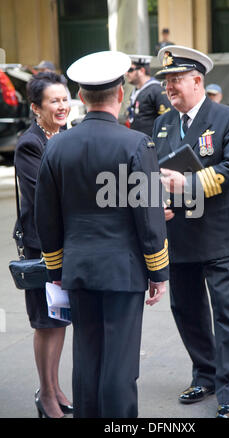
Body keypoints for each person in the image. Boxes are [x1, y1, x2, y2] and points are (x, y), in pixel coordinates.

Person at [34, 51, 169, 418]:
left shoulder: (57, 146)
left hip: (77, 269)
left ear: (80, 97)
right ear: (121, 94)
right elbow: (149, 216)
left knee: (87, 357)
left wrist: (56, 269)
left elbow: (45, 218)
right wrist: (158, 272)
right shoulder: (136, 145)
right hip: (123, 272)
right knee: (120, 366)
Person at [152, 45, 229, 418]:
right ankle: (205, 374)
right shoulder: (161, 124)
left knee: (226, 312)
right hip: (178, 235)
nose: (169, 87)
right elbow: (153, 174)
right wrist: (154, 202)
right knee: (187, 310)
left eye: (176, 80)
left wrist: (188, 184)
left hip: (218, 235)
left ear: (198, 81)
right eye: (166, 82)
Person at [13, 71, 72, 418]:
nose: (62, 106)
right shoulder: (30, 144)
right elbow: (46, 199)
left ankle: (56, 387)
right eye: (54, 101)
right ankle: (46, 395)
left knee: (60, 318)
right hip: (41, 245)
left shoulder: (68, 134)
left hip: (68, 242)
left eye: (65, 99)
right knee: (44, 322)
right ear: (37, 108)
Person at [126, 54, 171, 136]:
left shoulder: (156, 90)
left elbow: (167, 120)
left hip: (151, 144)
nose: (126, 73)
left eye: (130, 70)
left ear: (142, 71)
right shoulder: (135, 92)